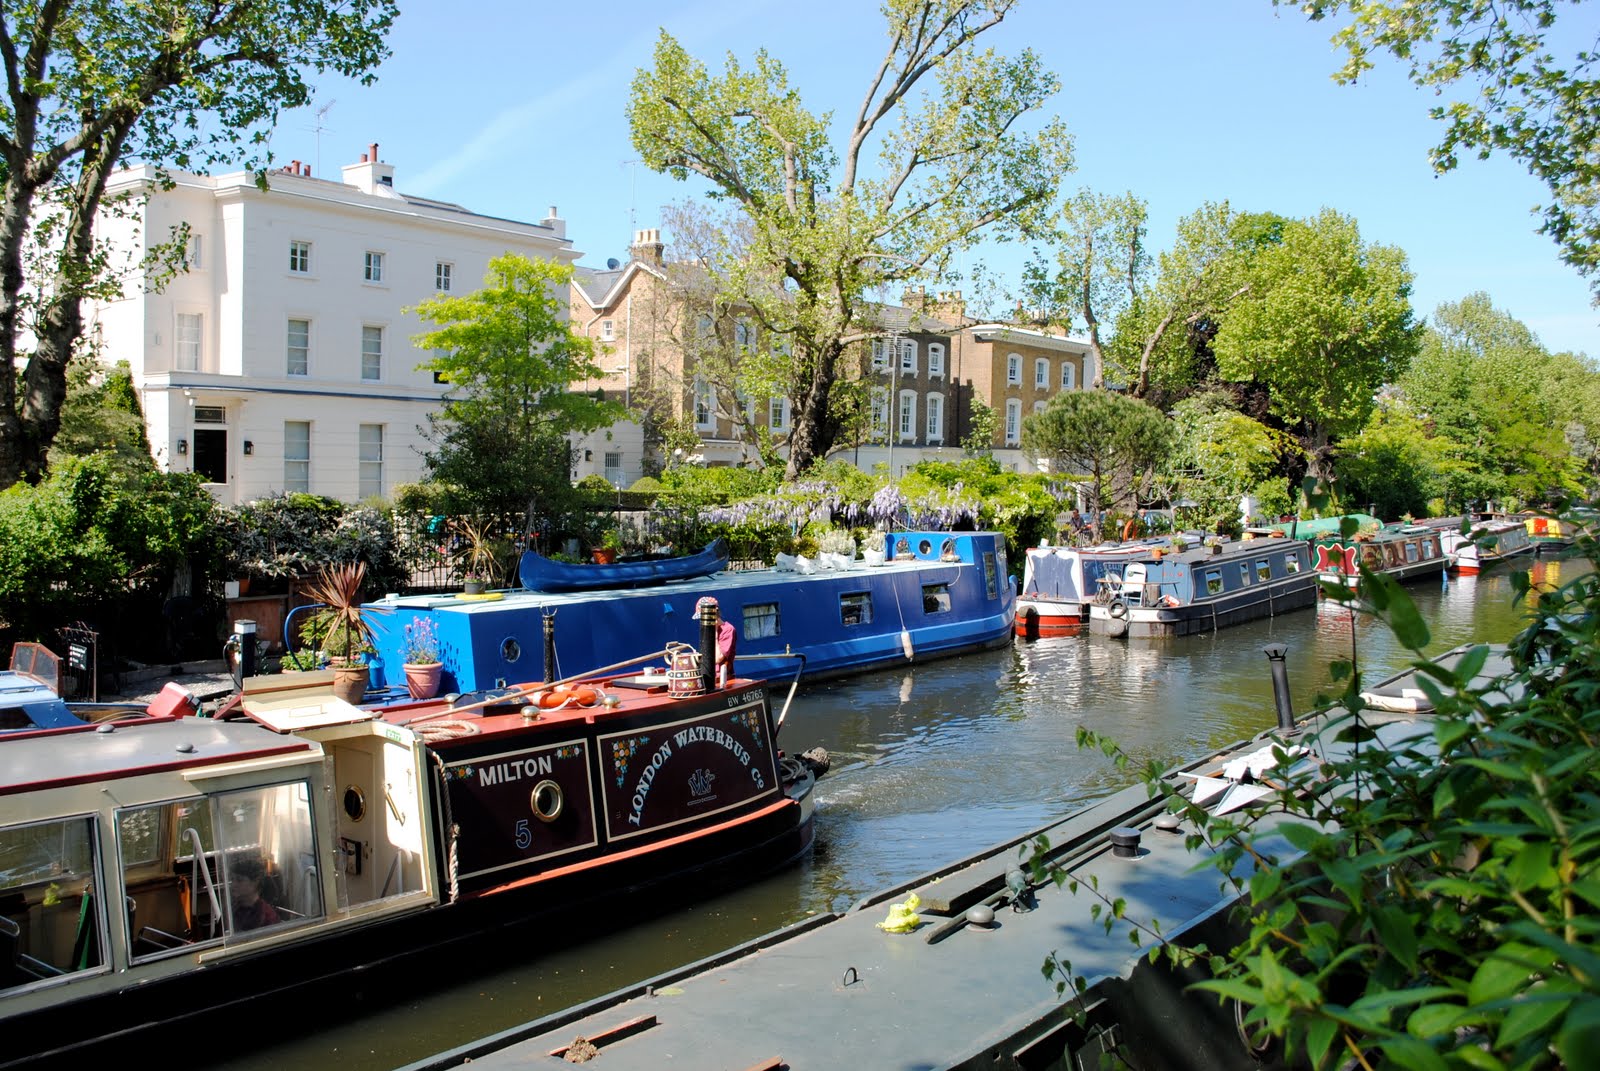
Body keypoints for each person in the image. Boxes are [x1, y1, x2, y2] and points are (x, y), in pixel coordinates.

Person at [229, 856, 281, 931]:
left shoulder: (265, 916)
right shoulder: (234, 907)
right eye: (232, 879)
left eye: (239, 880)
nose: (233, 884)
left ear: (255, 882)